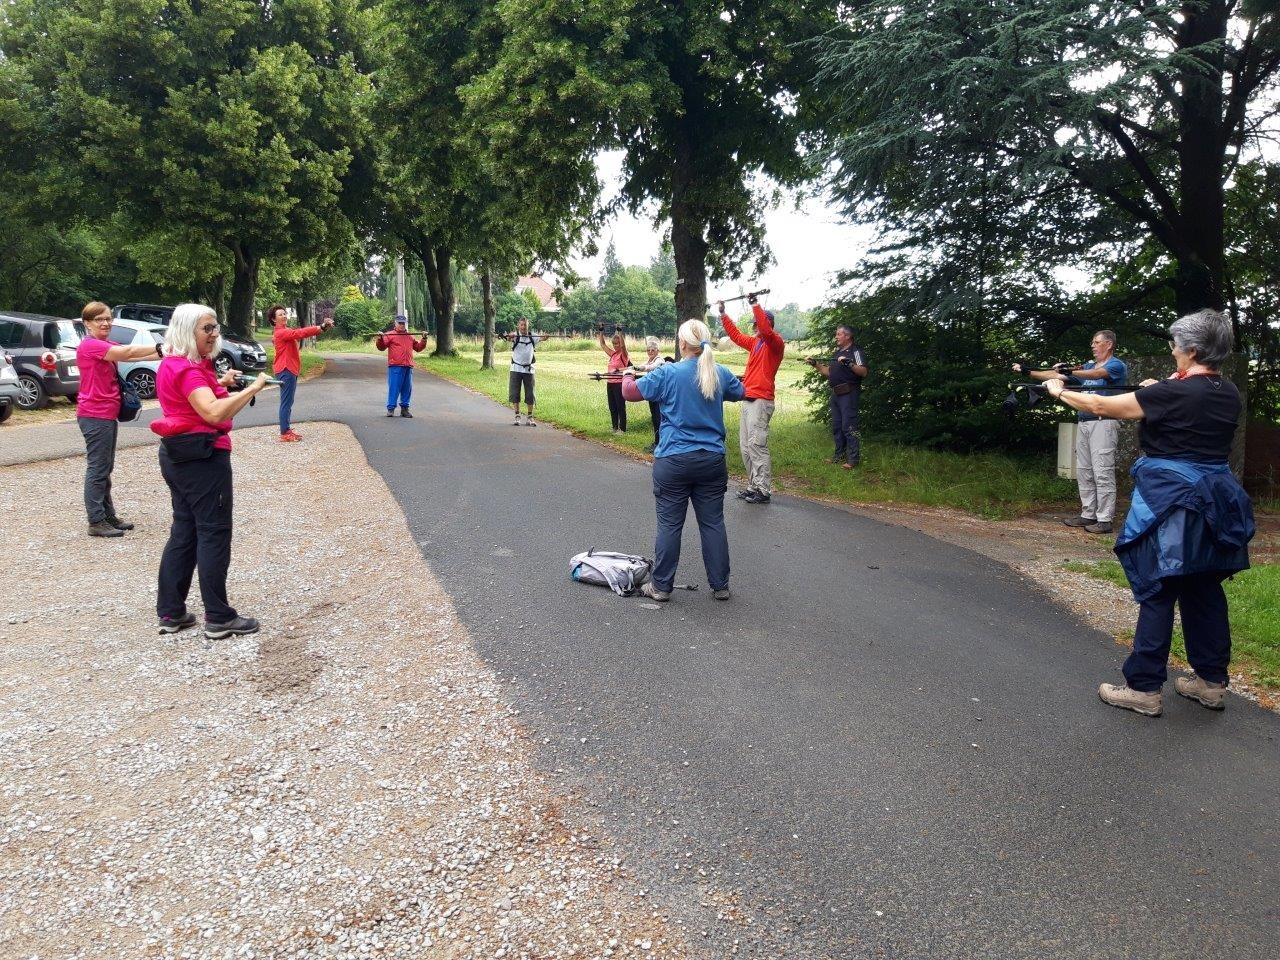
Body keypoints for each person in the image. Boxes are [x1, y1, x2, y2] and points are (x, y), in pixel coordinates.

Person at [1043, 309, 1253, 717]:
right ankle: (1211, 683)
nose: (1172, 350)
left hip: (1172, 500)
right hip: (1217, 499)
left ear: (1192, 350)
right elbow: (1186, 400)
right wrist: (1164, 387)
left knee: (1159, 586)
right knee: (1204, 586)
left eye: (1176, 345)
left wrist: (1059, 390)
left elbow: (1103, 407)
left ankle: (1143, 688)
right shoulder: (1226, 392)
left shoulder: (1172, 394)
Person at [149, 304, 269, 640]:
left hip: (178, 456)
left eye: (215, 327)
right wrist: (252, 388)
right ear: (188, 330)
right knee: (213, 532)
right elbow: (213, 413)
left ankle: (171, 612)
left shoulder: (177, 364)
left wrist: (223, 382)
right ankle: (218, 617)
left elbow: (193, 399)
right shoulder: (187, 369)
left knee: (184, 532)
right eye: (207, 328)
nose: (214, 334)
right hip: (201, 459)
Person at [620, 319, 745, 602]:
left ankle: (661, 587)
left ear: (683, 343)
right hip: (712, 460)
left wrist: (628, 374)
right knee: (713, 523)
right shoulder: (719, 373)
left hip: (674, 460)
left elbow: (630, 392)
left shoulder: (668, 373)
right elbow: (741, 392)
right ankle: (720, 585)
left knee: (670, 525)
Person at [1017, 331, 1128, 533]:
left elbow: (1096, 375)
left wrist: (1070, 371)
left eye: (1096, 342)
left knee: (1102, 471)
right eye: (1092, 342)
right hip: (1084, 421)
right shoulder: (1087, 366)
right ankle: (1088, 514)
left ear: (1109, 344)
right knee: (1084, 470)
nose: (1093, 345)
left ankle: (1105, 519)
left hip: (1104, 422)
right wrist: (1028, 372)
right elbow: (1057, 376)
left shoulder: (1115, 365)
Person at [75, 301, 168, 537]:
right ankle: (96, 521)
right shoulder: (90, 345)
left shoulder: (104, 343)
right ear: (87, 323)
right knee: (98, 468)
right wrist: (161, 347)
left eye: (108, 318)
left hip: (105, 414)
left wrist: (164, 352)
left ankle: (108, 515)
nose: (105, 323)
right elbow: (125, 353)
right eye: (99, 320)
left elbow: (132, 355)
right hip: (94, 414)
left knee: (105, 467)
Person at [718, 295, 785, 503]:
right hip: (748, 398)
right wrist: (723, 314)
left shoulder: (775, 342)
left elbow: (766, 331)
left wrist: (755, 305)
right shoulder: (755, 343)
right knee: (746, 446)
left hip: (761, 400)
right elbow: (736, 336)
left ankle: (763, 490)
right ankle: (753, 485)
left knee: (757, 445)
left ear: (767, 323)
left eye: (757, 323)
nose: (755, 327)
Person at [807, 325, 867, 470]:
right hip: (836, 394)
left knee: (849, 425)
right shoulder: (837, 352)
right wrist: (815, 364)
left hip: (849, 394)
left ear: (848, 336)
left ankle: (853, 460)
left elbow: (863, 371)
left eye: (839, 334)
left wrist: (849, 363)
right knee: (837, 427)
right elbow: (828, 372)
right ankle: (839, 456)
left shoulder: (856, 351)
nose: (836, 337)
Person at [270, 304, 333, 442]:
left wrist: (321, 329)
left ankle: (286, 429)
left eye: (285, 313)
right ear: (274, 320)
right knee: (286, 402)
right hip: (286, 369)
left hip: (288, 369)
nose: (284, 316)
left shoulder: (282, 331)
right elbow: (300, 333)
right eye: (280, 314)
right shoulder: (281, 332)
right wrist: (320, 327)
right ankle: (285, 432)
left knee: (288, 401)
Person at [376, 315, 428, 417]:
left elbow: (418, 348)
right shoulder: (389, 335)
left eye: (403, 323)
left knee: (407, 389)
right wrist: (380, 339)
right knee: (394, 388)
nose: (401, 325)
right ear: (395, 323)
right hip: (395, 366)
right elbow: (381, 347)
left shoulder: (409, 336)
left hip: (408, 366)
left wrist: (424, 339)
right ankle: (391, 409)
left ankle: (405, 409)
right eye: (399, 323)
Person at [502, 317, 549, 426]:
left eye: (525, 325)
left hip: (529, 370)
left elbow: (542, 338)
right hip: (516, 369)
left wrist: (545, 337)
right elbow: (508, 338)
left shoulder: (533, 336)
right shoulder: (515, 336)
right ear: (518, 326)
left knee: (530, 394)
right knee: (515, 393)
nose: (523, 327)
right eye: (522, 325)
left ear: (528, 326)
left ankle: (530, 417)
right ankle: (517, 416)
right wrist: (508, 336)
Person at [596, 324, 631, 433]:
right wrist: (601, 330)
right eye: (614, 344)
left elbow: (624, 347)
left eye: (617, 343)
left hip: (619, 383)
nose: (615, 346)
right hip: (610, 383)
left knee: (620, 406)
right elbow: (602, 344)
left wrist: (620, 332)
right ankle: (615, 427)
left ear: (620, 343)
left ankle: (622, 429)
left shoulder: (623, 354)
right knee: (612, 407)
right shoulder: (613, 354)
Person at [638, 336, 669, 452]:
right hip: (652, 394)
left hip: (658, 394)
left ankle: (660, 444)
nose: (650, 352)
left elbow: (651, 367)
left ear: (657, 351)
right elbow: (644, 365)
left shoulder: (659, 360)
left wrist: (640, 368)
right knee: (654, 418)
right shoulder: (650, 360)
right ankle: (657, 442)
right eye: (648, 350)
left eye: (653, 350)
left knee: (658, 418)